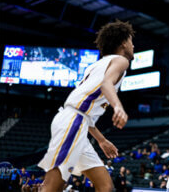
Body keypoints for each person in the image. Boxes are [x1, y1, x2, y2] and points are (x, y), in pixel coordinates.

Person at [38, 20, 135, 192]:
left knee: (105, 186)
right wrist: (118, 107)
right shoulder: (121, 60)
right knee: (52, 186)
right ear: (123, 43)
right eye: (131, 41)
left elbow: (85, 112)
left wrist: (102, 140)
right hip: (72, 121)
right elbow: (106, 84)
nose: (133, 46)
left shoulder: (96, 65)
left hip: (76, 122)